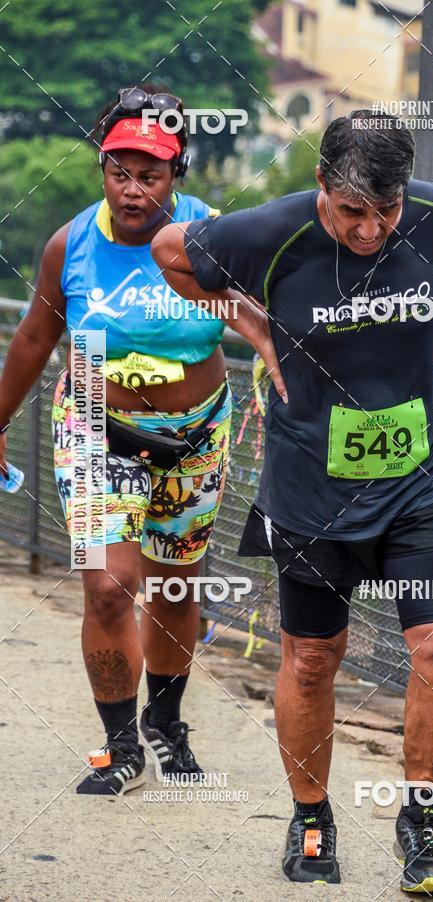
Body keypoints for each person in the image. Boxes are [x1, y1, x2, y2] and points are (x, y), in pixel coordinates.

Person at [152, 110, 433, 892]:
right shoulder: (274, 232)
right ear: (322, 185)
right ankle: (312, 814)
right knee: (315, 658)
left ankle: (421, 820)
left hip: (422, 479)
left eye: (384, 212)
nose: (370, 229)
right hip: (311, 488)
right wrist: (253, 329)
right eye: (352, 212)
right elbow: (171, 254)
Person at [0, 86, 233, 797]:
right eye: (119, 172)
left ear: (178, 173)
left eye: (151, 175)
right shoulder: (70, 245)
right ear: (102, 168)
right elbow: (38, 336)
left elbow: (270, 316)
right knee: (107, 586)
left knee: (171, 585)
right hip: (99, 431)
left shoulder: (216, 238)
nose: (133, 191)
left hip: (195, 438)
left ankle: (167, 724)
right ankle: (121, 744)